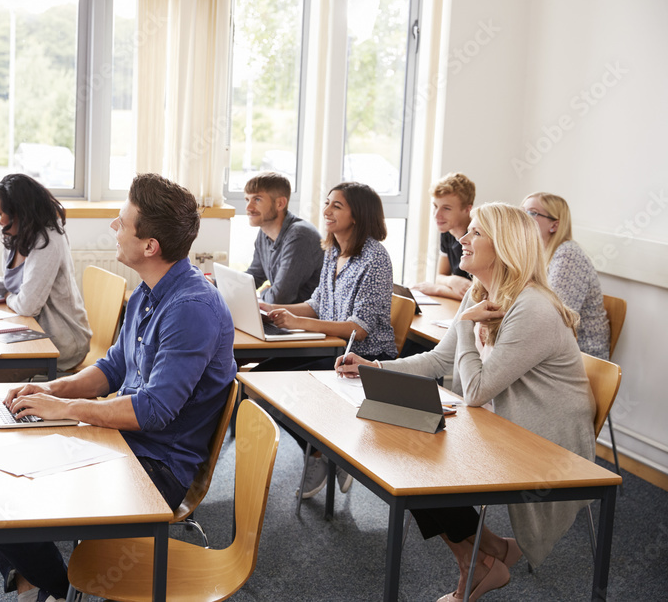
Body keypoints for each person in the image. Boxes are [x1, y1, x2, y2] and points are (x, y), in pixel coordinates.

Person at [0, 173, 237, 602]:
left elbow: (153, 411)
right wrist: (53, 390)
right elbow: (113, 366)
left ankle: (58, 589)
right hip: (125, 442)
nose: (113, 228)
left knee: (14, 497)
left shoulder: (191, 309)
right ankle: (45, 587)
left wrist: (64, 410)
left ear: (149, 247)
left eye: (121, 223)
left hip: (157, 467)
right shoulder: (148, 292)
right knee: (1, 473)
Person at [338, 202, 595, 601]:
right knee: (408, 450)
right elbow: (441, 360)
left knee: (419, 462)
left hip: (546, 441)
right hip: (500, 422)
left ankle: (481, 560)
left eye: (475, 232)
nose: (462, 238)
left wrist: (467, 323)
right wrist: (375, 366)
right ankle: (483, 556)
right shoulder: (480, 292)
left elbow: (475, 391)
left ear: (505, 245)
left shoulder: (533, 308)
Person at [258, 181, 397, 498]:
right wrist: (273, 308)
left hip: (366, 358)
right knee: (256, 382)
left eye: (337, 205)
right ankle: (321, 452)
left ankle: (327, 452)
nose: (326, 211)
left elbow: (359, 328)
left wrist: (297, 321)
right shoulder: (333, 250)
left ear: (358, 215)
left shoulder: (375, 258)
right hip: (333, 351)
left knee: (279, 385)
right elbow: (318, 304)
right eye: (327, 203)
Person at [0, 174, 91, 380]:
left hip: (61, 341)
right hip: (29, 332)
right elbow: (21, 287)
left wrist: (9, 297)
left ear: (19, 213)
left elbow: (28, 305)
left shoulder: (49, 241)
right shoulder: (16, 235)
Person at [522, 192, 610, 359]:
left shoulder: (568, 255)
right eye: (522, 211)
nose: (522, 218)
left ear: (554, 225)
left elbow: (554, 320)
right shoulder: (537, 254)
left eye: (532, 213)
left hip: (582, 358)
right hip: (551, 347)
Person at [243, 171, 323, 304]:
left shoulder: (300, 236)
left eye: (257, 199)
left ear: (280, 204)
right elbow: (256, 275)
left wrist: (263, 292)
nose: (248, 207)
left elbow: (279, 298)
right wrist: (217, 284)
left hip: (302, 320)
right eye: (247, 199)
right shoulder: (264, 232)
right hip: (283, 316)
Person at [414, 172, 476, 300]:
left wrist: (437, 289)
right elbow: (440, 276)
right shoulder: (448, 231)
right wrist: (453, 281)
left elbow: (476, 294)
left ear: (467, 209)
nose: (437, 215)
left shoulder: (478, 237)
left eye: (446, 208)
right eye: (435, 206)